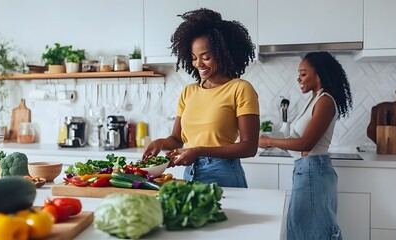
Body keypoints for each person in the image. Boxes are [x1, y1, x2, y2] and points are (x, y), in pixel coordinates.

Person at [142, 8, 259, 188]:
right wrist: (160, 143)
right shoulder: (188, 92)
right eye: (194, 58)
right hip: (190, 172)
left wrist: (198, 151)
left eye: (206, 57)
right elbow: (176, 139)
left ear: (224, 53)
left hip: (224, 173)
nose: (198, 64)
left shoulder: (240, 89)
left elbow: (249, 147)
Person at [259, 51, 353, 240]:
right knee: (303, 230)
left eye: (303, 74)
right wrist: (269, 141)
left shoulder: (325, 101)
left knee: (312, 233)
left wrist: (268, 141)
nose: (298, 79)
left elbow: (306, 144)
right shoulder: (314, 99)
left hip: (313, 171)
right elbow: (297, 142)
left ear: (319, 74)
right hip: (307, 171)